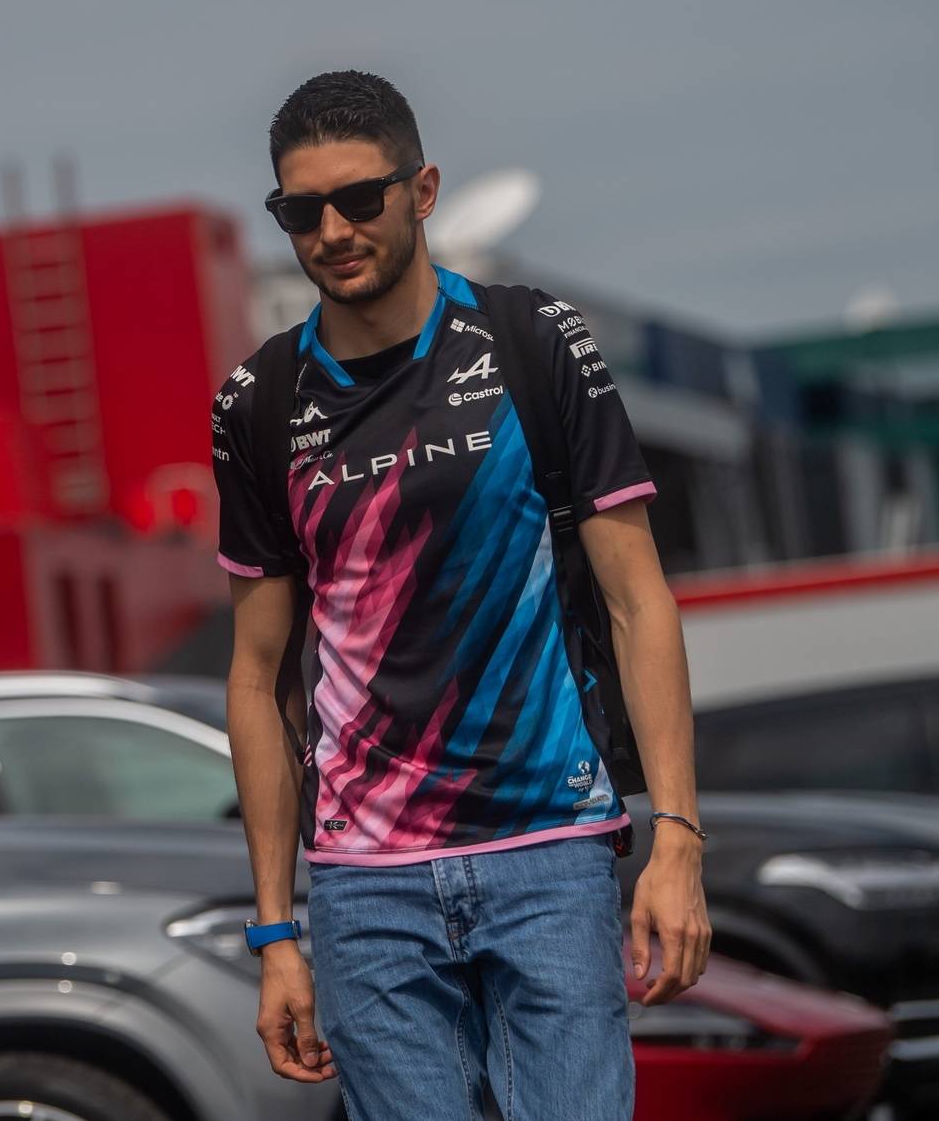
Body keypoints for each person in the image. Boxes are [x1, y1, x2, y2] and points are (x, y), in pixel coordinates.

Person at [211, 70, 709, 1121]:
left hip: (545, 849)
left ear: (422, 188)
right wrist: (273, 932)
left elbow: (635, 598)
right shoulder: (258, 404)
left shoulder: (533, 341)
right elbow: (255, 678)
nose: (332, 230)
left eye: (361, 199)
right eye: (300, 212)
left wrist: (674, 835)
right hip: (361, 880)